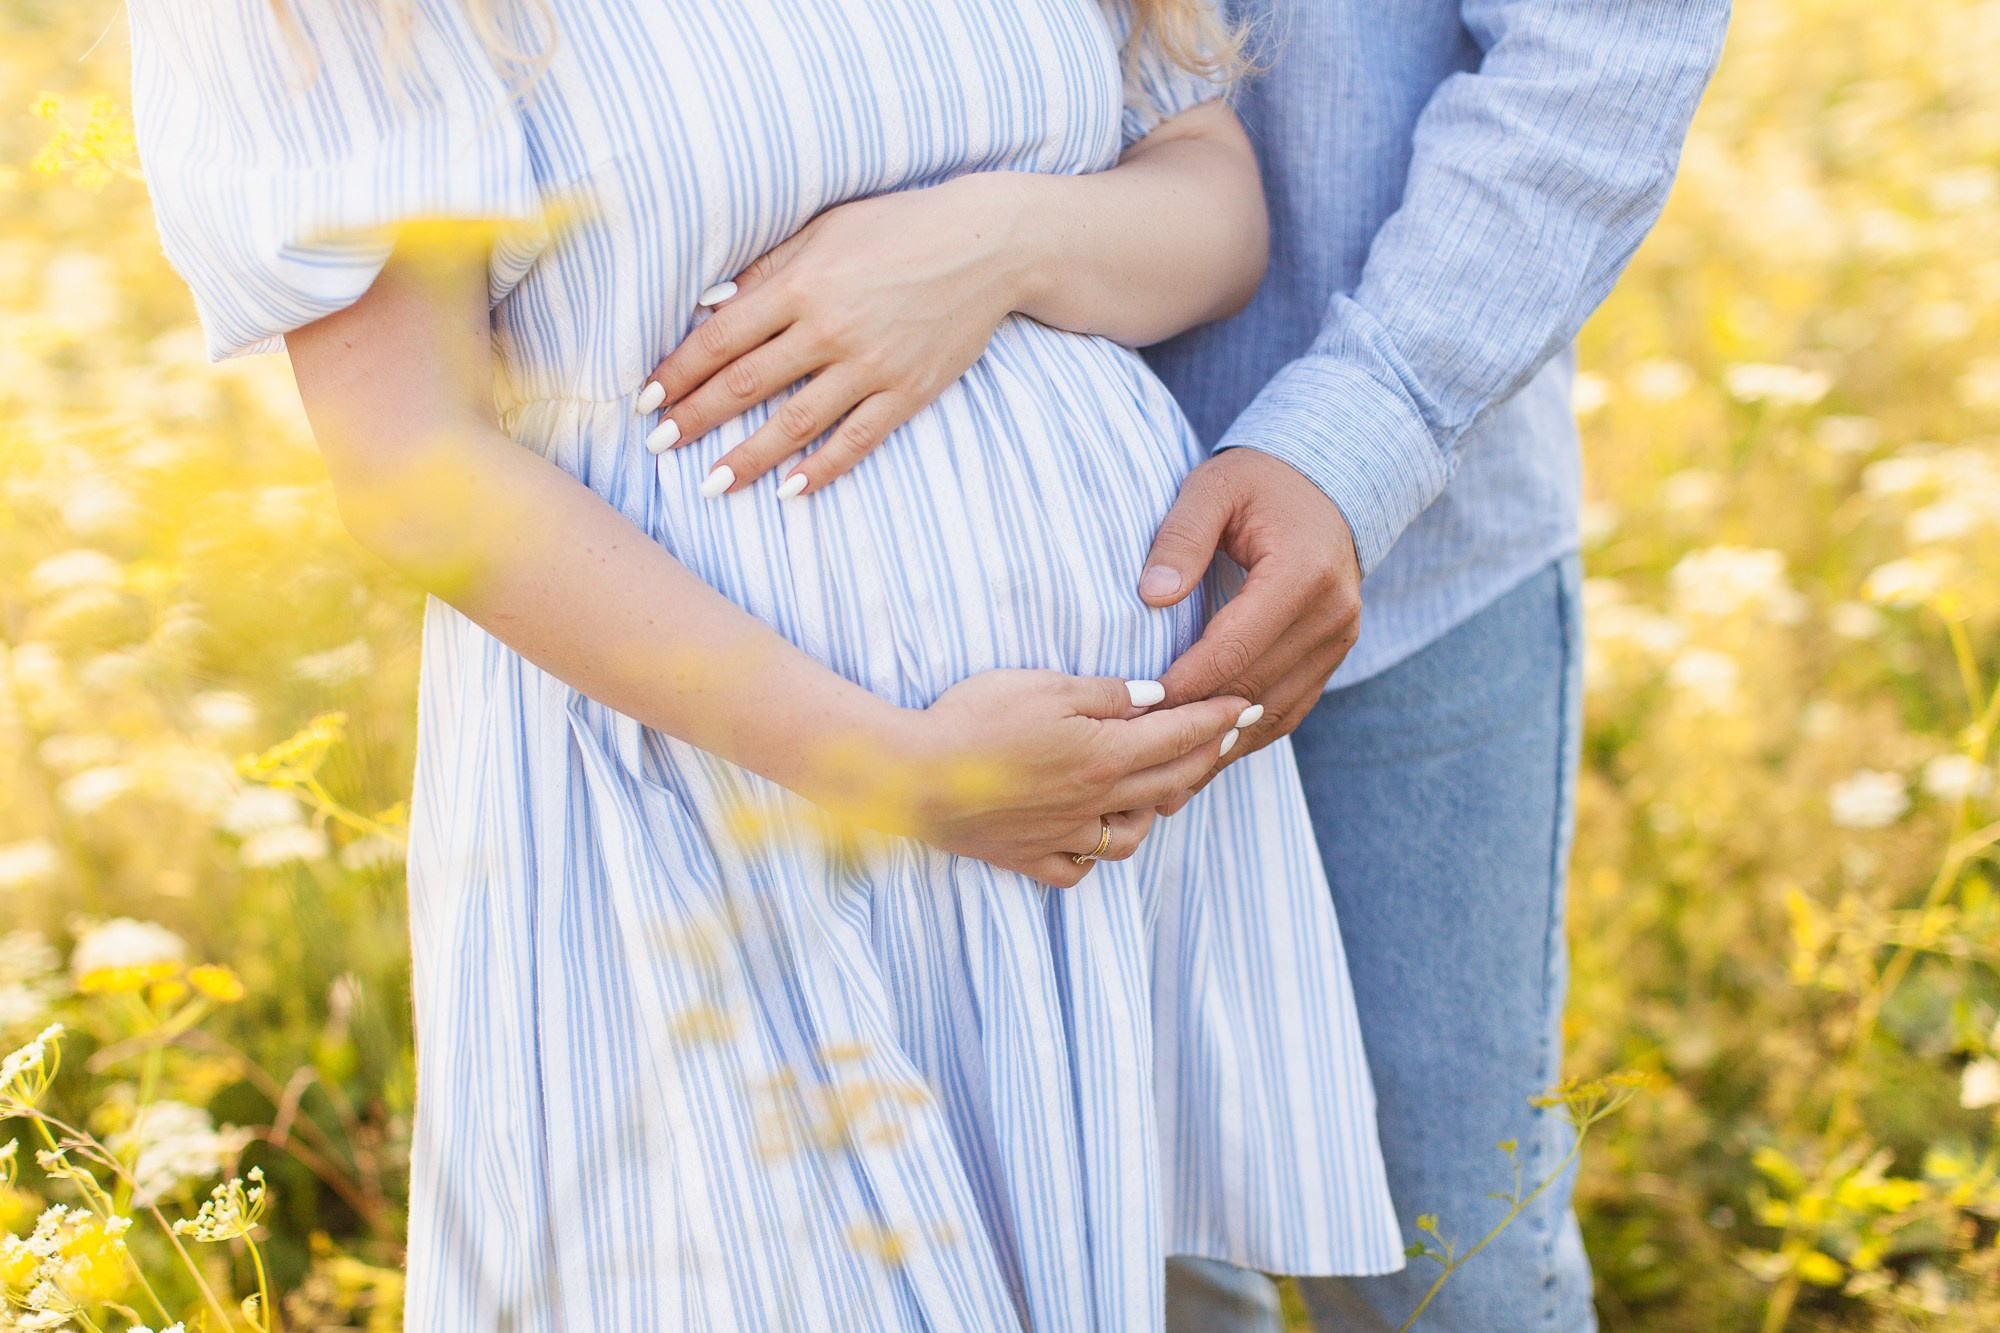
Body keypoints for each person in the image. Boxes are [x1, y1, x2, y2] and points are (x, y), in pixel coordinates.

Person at [126, 0, 1400, 1327]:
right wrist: (891, 767)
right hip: (733, 793)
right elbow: (410, 464)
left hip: (1116, 832)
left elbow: (1209, 201)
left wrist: (1003, 242)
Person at [1136, 2, 1736, 1329]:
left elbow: (1605, 46)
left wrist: (1358, 436)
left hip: (1406, 568)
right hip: (974, 601)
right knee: (1127, 1255)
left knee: (1441, 1264)